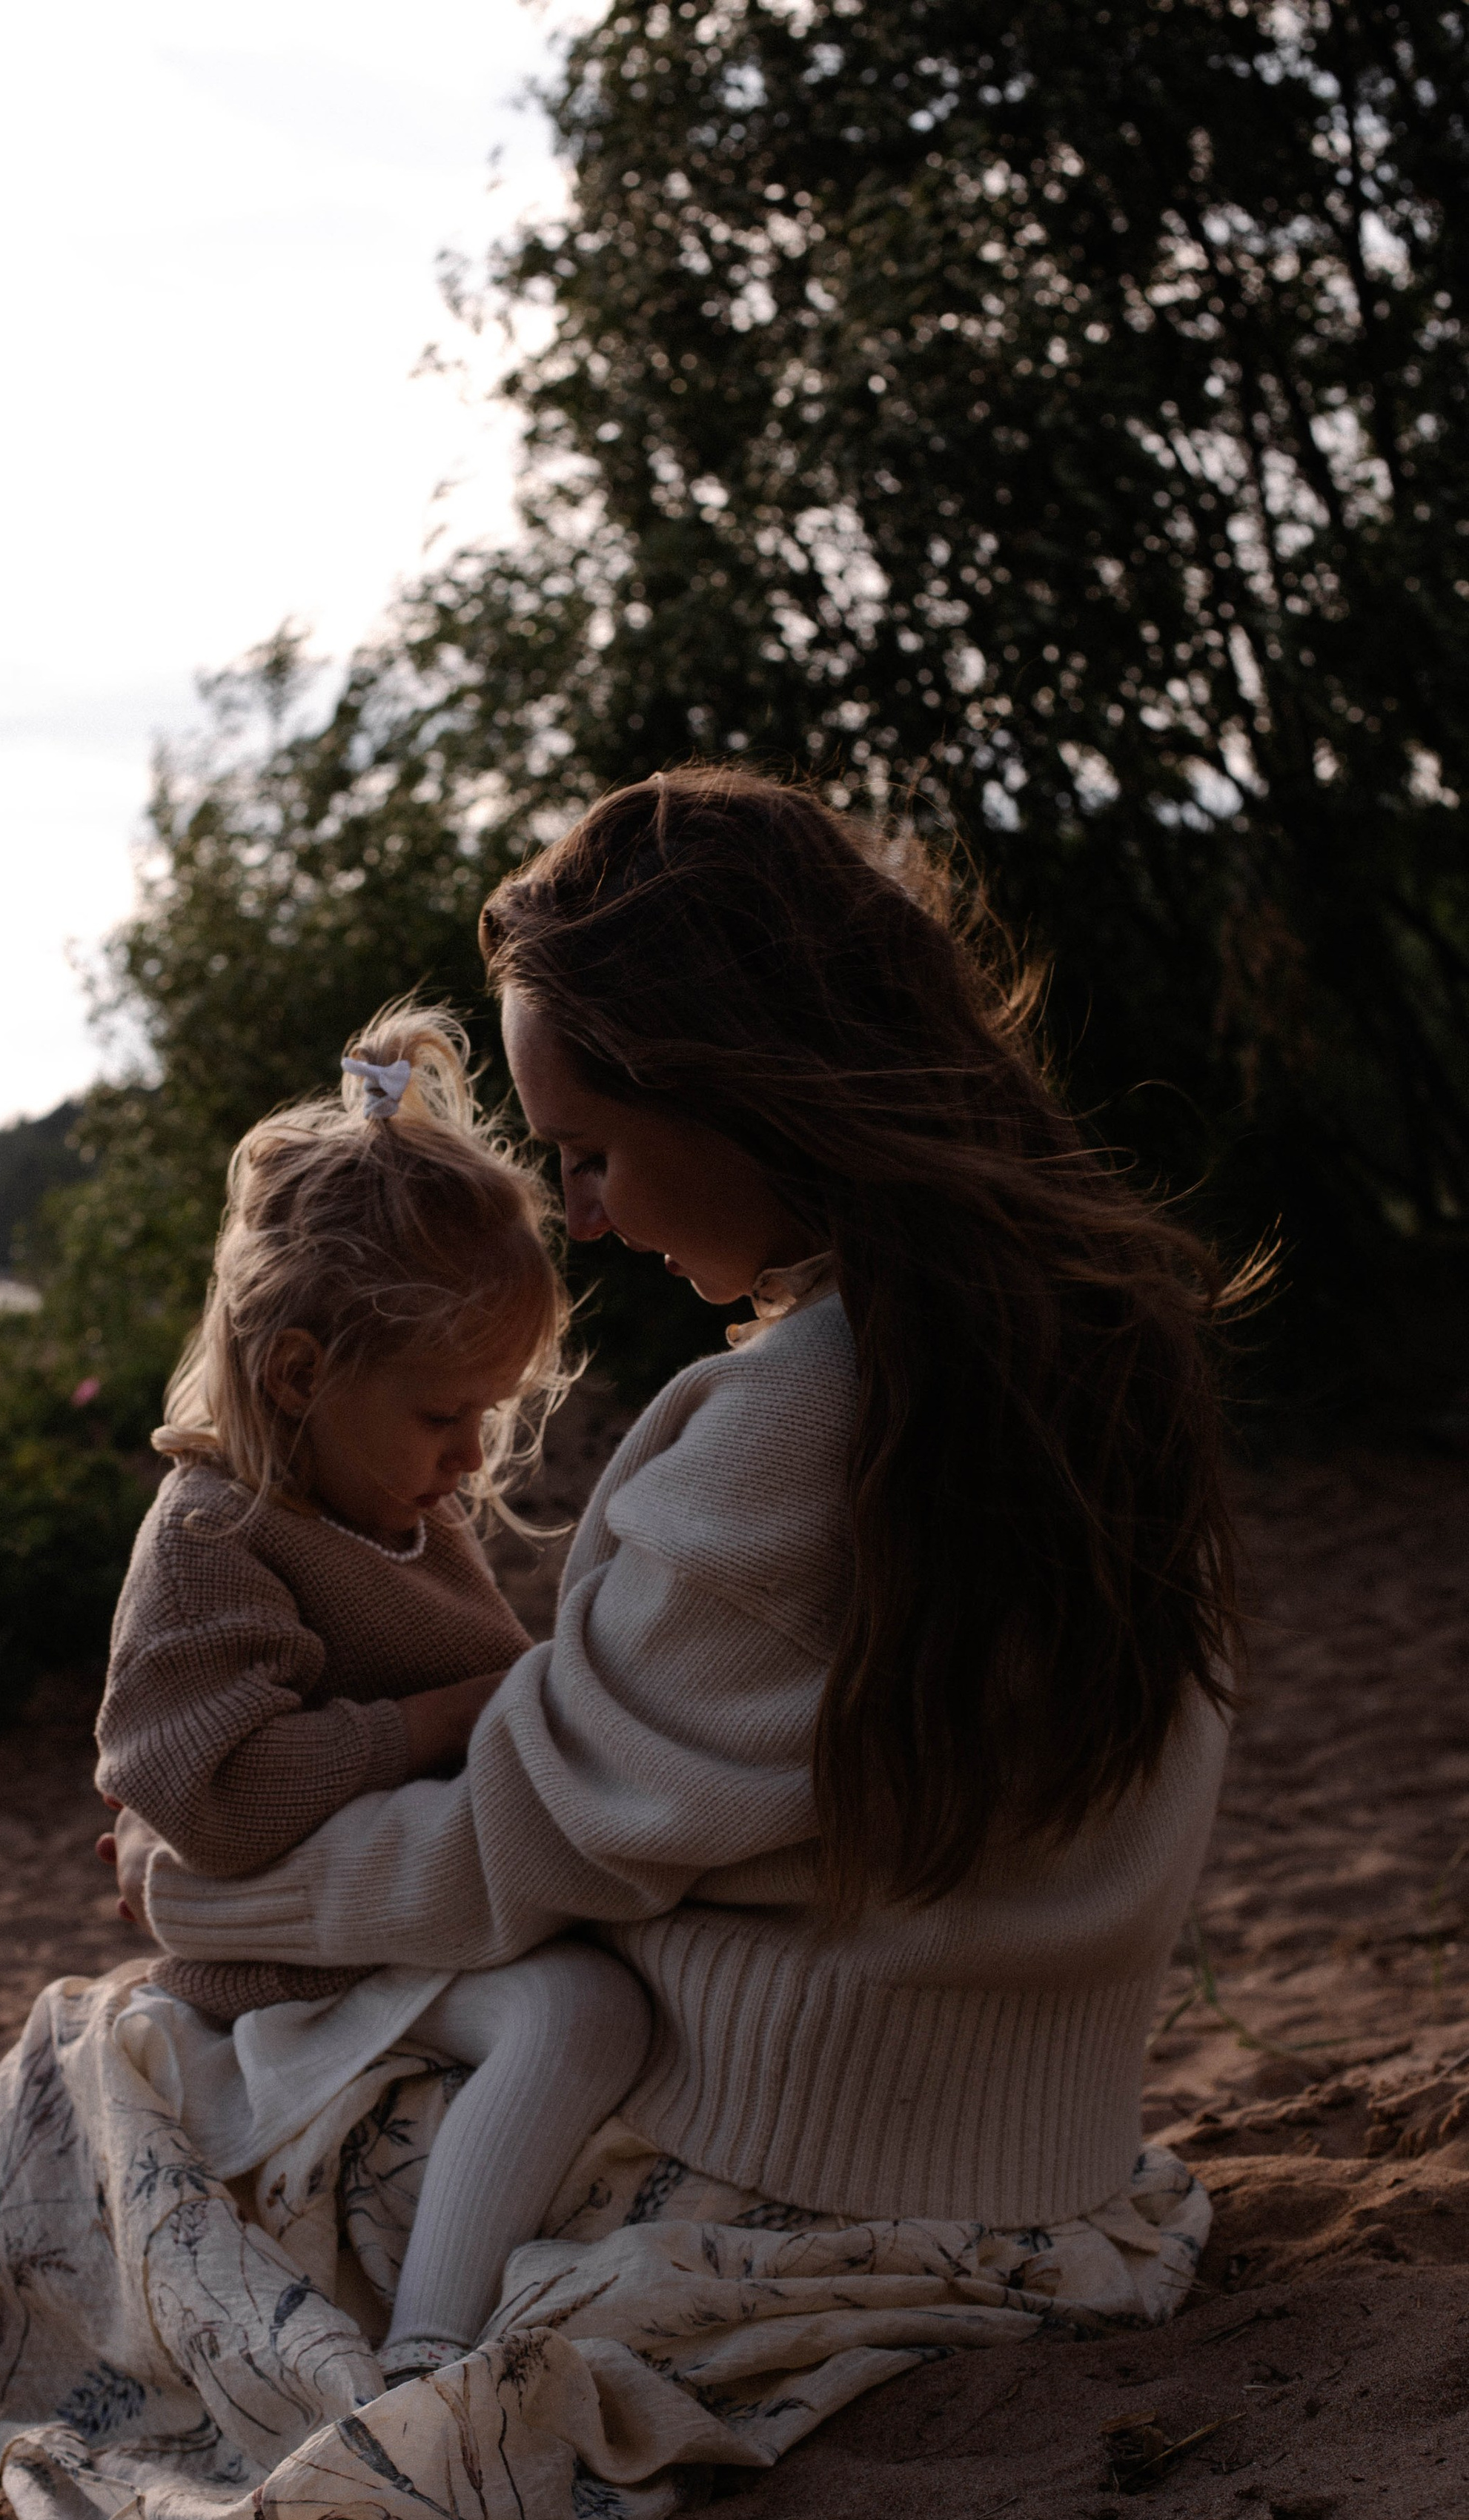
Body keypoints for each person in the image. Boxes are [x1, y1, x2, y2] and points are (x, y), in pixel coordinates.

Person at [122, 768, 1248, 2238]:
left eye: (588, 1155)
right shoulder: (1095, 1342)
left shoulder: (793, 1422)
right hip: (1038, 2137)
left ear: (736, 1092)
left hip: (775, 2151)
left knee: (103, 2098)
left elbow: (509, 1851)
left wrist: (190, 1896)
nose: (578, 1217)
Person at [96, 1001, 650, 2382]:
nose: (469, 1456)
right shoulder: (218, 1529)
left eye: (489, 1414)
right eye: (442, 1414)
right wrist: (433, 1726)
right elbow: (215, 1797)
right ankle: (427, 2358)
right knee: (578, 2015)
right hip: (283, 1965)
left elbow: (481, 1672)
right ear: (298, 1374)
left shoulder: (399, 1501)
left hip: (410, 1898)